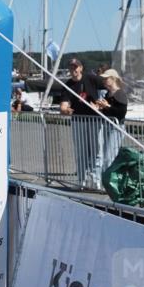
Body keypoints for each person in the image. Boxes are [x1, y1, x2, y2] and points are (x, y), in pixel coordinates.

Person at [59, 58, 105, 190]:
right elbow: (63, 106)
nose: (73, 69)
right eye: (71, 67)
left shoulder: (91, 78)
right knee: (81, 152)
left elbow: (109, 85)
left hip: (94, 119)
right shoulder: (68, 85)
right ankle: (82, 181)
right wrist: (65, 109)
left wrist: (102, 103)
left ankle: (96, 181)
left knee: (97, 151)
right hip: (78, 121)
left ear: (81, 68)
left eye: (76, 67)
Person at [94, 68, 128, 171]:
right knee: (107, 155)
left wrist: (106, 106)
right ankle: (107, 179)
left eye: (106, 79)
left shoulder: (119, 93)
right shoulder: (108, 94)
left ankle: (108, 180)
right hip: (108, 126)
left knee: (109, 156)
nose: (103, 81)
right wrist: (99, 108)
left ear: (113, 79)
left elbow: (121, 112)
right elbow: (108, 111)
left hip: (116, 127)